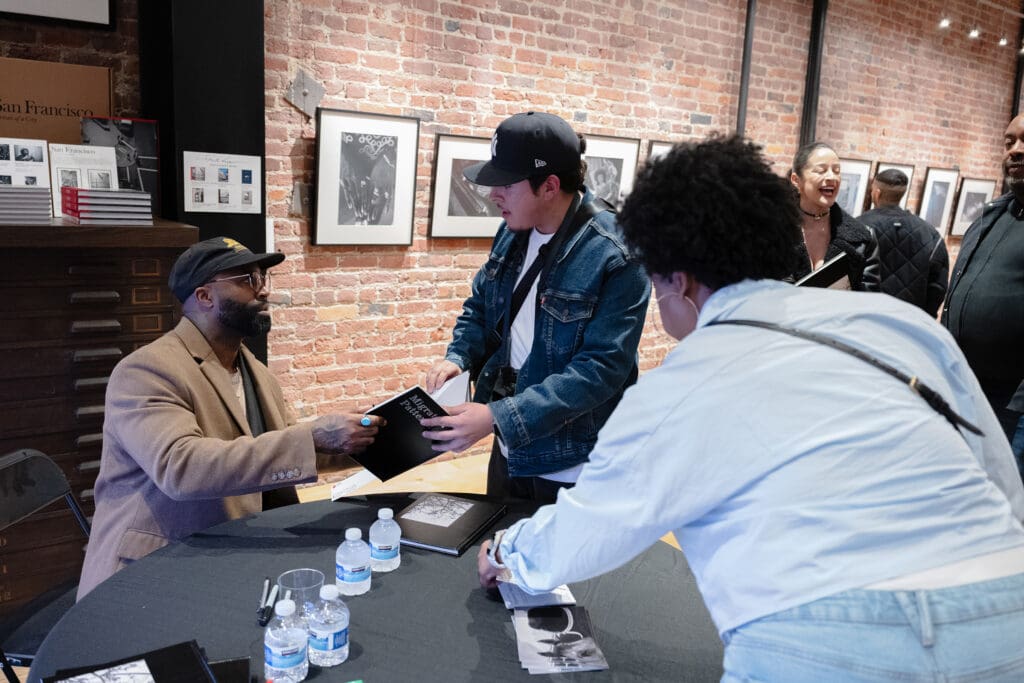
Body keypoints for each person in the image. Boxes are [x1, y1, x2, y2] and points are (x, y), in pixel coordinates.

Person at [477, 135, 1024, 681]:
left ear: (679, 282)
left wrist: (508, 553)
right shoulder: (899, 323)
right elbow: (996, 471)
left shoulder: (683, 386)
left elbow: (596, 522)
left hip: (824, 636)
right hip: (1005, 605)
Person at [78, 237, 383, 599]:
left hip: (227, 551)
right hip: (153, 571)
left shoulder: (254, 372)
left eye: (263, 278)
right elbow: (181, 467)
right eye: (248, 280)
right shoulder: (147, 370)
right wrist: (313, 436)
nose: (264, 291)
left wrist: (378, 439)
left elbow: (281, 452)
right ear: (204, 296)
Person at [422, 111, 650, 503]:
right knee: (502, 542)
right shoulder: (511, 232)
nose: (493, 195)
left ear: (549, 186)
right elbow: (481, 308)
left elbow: (600, 370)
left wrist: (498, 417)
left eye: (506, 184)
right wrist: (458, 357)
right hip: (511, 447)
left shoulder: (616, 253)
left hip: (575, 460)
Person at [944, 114, 1024, 478]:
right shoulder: (993, 215)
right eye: (1009, 142)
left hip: (1014, 407)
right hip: (967, 389)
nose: (1015, 151)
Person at [789, 141, 880, 291]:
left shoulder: (864, 238)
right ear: (796, 180)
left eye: (837, 171)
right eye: (821, 170)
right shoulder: (770, 232)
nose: (832, 177)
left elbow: (869, 297)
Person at [859, 168, 949, 316]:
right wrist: (924, 317)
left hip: (865, 319)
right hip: (910, 321)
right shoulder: (931, 234)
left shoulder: (858, 227)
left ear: (877, 193)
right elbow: (938, 287)